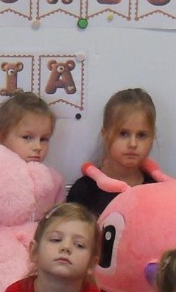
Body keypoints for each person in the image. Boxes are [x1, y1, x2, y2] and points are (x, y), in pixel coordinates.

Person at [66, 87, 157, 217]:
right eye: (123, 134)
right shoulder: (84, 190)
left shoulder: (157, 190)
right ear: (105, 134)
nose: (133, 144)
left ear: (152, 137)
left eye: (141, 135)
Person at [0, 90, 64, 219]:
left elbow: (60, 223)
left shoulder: (54, 181)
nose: (38, 147)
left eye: (44, 139)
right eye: (27, 137)